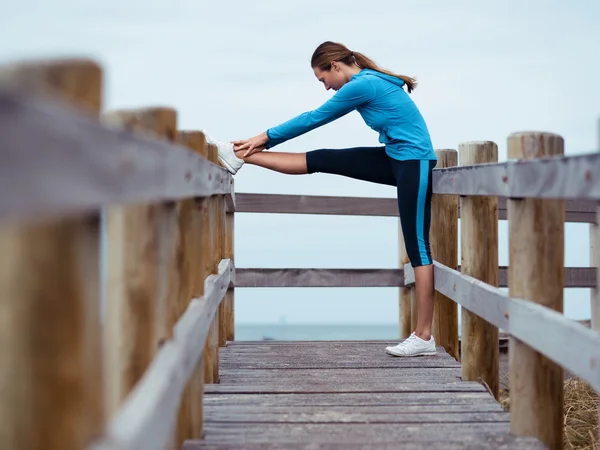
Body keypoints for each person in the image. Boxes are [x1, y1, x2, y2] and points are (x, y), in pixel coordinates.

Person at [203, 40, 437, 357]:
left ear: (335, 67)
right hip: (396, 156)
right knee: (323, 158)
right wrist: (260, 144)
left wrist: (265, 136)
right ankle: (237, 156)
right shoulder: (366, 81)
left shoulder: (364, 84)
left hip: (414, 161)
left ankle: (424, 336)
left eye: (323, 78)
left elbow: (315, 118)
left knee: (417, 246)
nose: (326, 87)